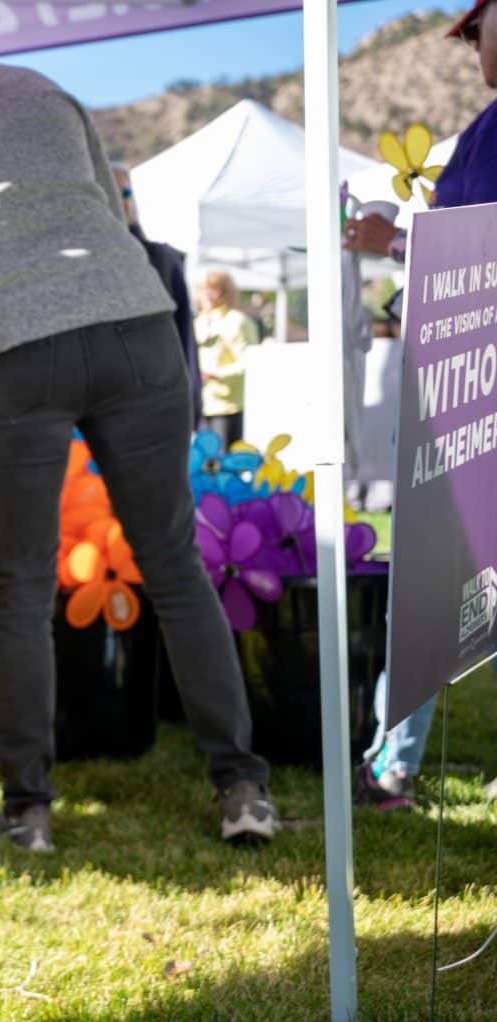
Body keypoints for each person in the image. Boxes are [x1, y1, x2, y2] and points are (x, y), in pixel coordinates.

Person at [0, 0, 276, 852]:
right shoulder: (43, 89)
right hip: (137, 331)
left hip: (12, 352)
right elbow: (111, 216)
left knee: (23, 587)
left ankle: (28, 810)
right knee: (175, 567)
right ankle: (243, 788)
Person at [347, 0, 497, 808]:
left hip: (475, 397)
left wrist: (397, 243)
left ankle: (391, 761)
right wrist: (403, 238)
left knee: (439, 582)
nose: (472, 47)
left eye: (478, 30)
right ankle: (391, 761)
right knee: (430, 583)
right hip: (456, 390)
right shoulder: (479, 133)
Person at [110, 162, 203, 428]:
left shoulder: (161, 259)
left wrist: (192, 407)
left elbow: (183, 338)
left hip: (155, 411)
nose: (122, 201)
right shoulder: (73, 265)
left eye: (126, 193)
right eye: (111, 191)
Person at [193, 270, 258, 448]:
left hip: (228, 407)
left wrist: (214, 374)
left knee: (225, 459)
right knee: (203, 460)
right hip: (201, 405)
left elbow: (249, 363)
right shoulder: (198, 322)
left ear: (226, 292)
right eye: (203, 289)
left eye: (214, 289)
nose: (207, 295)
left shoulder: (237, 321)